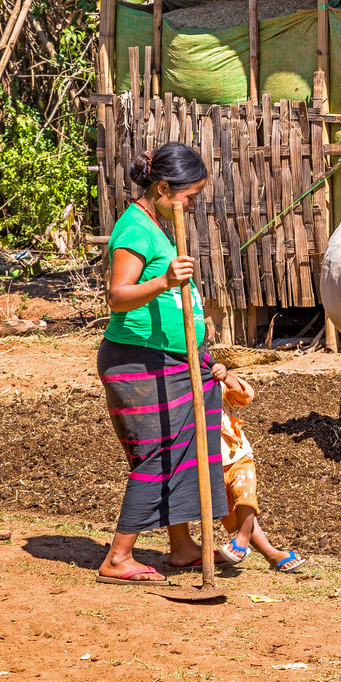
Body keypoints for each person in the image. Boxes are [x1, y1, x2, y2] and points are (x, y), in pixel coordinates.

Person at [95, 142, 227, 584]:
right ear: (164, 187)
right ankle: (118, 557)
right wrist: (165, 279)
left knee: (187, 451)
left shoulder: (160, 223)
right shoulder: (134, 229)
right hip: (137, 362)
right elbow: (117, 297)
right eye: (189, 197)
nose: (191, 205)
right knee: (157, 455)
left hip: (175, 358)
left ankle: (183, 546)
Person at [209, 363, 306, 573]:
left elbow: (246, 395)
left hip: (237, 456)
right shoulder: (180, 390)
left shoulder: (217, 383)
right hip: (209, 465)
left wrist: (226, 377)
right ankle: (272, 555)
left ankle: (241, 541)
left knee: (245, 497)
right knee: (236, 515)